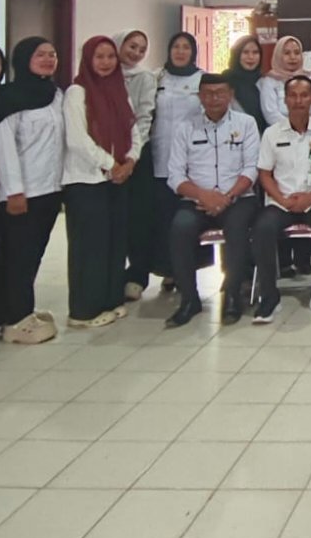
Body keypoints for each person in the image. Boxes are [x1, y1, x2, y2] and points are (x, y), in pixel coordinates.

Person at [0, 36, 64, 345]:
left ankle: (21, 310)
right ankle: (15, 319)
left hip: (50, 188)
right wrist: (14, 191)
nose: (48, 59)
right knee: (17, 256)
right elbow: (3, 148)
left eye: (52, 54)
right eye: (40, 54)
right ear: (24, 59)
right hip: (21, 193)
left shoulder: (55, 94)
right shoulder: (9, 98)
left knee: (33, 254)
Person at [164, 73, 261, 328]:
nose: (214, 98)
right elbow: (175, 175)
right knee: (180, 228)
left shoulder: (246, 123)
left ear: (230, 95)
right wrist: (204, 195)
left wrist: (227, 196)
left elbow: (252, 168)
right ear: (200, 97)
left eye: (220, 93)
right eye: (208, 94)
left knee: (237, 228)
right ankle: (189, 299)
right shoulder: (186, 127)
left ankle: (232, 296)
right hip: (197, 199)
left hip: (238, 198)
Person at [251, 75, 311, 323]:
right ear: (285, 100)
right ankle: (269, 298)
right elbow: (264, 174)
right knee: (262, 228)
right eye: (293, 96)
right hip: (281, 202)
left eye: (304, 95)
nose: (298, 101)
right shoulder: (272, 133)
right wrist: (282, 200)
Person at [62, 36, 141, 329]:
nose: (106, 62)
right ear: (88, 60)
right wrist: (111, 165)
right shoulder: (77, 93)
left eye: (110, 57)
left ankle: (110, 299)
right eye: (99, 57)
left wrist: (130, 161)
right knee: (90, 246)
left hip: (118, 179)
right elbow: (77, 139)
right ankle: (83, 311)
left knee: (114, 242)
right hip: (87, 180)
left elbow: (134, 130)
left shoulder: (120, 90)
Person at [144, 32, 207, 294]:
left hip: (192, 158)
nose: (181, 52)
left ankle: (187, 270)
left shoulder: (202, 79)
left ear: (193, 52)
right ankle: (167, 270)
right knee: (163, 216)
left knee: (188, 216)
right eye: (176, 47)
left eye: (186, 47)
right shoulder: (157, 77)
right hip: (160, 154)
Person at [115, 29, 159, 304]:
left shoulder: (145, 77)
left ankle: (137, 276)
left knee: (138, 219)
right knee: (114, 220)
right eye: (132, 46)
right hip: (106, 159)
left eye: (142, 49)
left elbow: (144, 117)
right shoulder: (102, 75)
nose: (136, 53)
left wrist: (132, 154)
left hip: (137, 157)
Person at [260, 35, 309, 128]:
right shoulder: (270, 81)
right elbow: (271, 114)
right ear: (278, 55)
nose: (293, 57)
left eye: (297, 53)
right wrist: (293, 128)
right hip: (280, 131)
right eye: (287, 53)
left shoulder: (309, 78)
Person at [224, 34, 267, 133]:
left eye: (255, 52)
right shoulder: (226, 80)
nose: (251, 57)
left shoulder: (264, 81)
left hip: (263, 135)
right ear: (237, 54)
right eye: (245, 52)